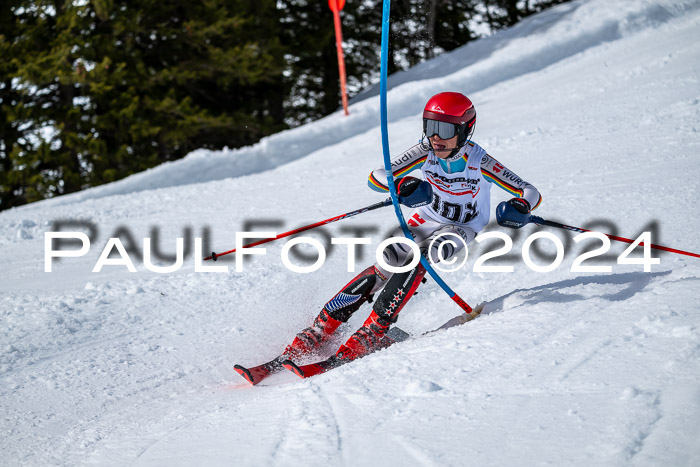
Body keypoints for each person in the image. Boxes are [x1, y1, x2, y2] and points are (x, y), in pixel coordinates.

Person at [283, 92, 542, 363]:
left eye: (444, 130)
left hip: (461, 227)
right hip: (426, 219)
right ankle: (320, 329)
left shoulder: (479, 162)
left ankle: (373, 331)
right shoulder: (425, 152)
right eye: (430, 128)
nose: (436, 138)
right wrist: (401, 185)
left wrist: (522, 207)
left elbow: (529, 190)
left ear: (465, 129)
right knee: (390, 260)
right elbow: (377, 176)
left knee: (421, 259)